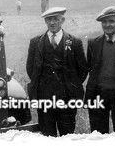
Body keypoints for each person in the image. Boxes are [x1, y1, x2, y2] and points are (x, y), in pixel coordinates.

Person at [26, 7, 87, 137]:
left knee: (68, 135)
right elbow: (30, 69)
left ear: (62, 20)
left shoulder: (74, 42)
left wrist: (70, 85)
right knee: (47, 136)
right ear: (45, 21)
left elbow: (82, 70)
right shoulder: (36, 42)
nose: (52, 23)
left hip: (67, 99)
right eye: (49, 19)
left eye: (55, 19)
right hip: (44, 98)